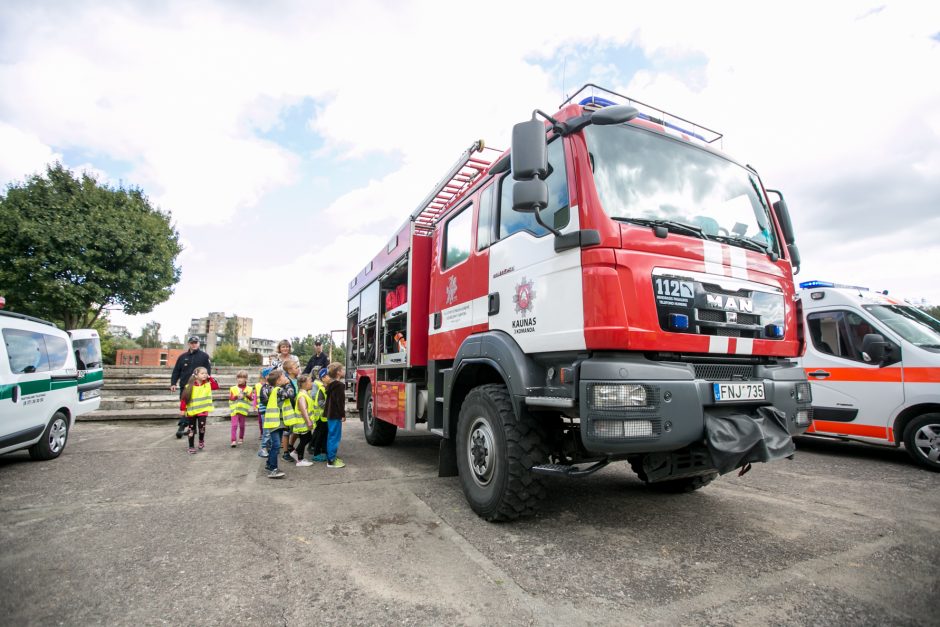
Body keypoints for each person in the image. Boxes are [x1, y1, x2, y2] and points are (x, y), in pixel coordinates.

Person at [170, 337, 212, 438]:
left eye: (196, 342)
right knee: (186, 407)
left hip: (199, 387)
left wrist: (206, 384)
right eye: (192, 343)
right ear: (189, 344)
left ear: (199, 343)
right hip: (185, 387)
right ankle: (188, 427)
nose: (194, 344)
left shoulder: (204, 356)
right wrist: (173, 383)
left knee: (193, 408)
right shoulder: (182, 357)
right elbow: (176, 371)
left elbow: (208, 372)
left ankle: (182, 427)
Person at [260, 368, 295, 479]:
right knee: (275, 445)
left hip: (278, 422)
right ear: (279, 381)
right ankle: (273, 469)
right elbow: (290, 394)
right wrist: (289, 384)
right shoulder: (278, 390)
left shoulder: (275, 389)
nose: (287, 378)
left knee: (276, 444)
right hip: (275, 422)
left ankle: (269, 464)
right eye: (284, 377)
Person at [181, 367, 213, 454]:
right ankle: (191, 446)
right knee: (191, 429)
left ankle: (201, 440)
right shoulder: (189, 386)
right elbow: (184, 398)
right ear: (196, 375)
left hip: (202, 411)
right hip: (192, 412)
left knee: (202, 427)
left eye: (206, 373)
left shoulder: (207, 384)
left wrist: (210, 378)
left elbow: (215, 386)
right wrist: (183, 409)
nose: (205, 375)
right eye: (202, 373)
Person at [323, 361, 347, 468]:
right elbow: (340, 402)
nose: (343, 371)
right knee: (335, 437)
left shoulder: (330, 385)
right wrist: (342, 414)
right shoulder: (340, 386)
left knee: (331, 436)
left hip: (329, 414)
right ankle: (331, 461)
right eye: (342, 369)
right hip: (336, 414)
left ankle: (331, 457)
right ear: (338, 372)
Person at [290, 374, 315, 467]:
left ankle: (299, 456)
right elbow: (303, 410)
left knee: (307, 438)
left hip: (303, 423)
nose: (311, 383)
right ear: (304, 383)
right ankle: (298, 458)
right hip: (303, 423)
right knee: (306, 439)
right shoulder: (302, 396)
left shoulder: (304, 394)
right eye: (310, 381)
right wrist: (308, 421)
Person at [281, 357, 301, 462]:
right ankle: (285, 453)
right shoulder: (286, 381)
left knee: (297, 430)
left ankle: (290, 445)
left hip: (297, 409)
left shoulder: (297, 380)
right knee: (286, 432)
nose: (298, 369)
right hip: (289, 410)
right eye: (296, 367)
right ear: (290, 370)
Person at [309, 367, 329, 462]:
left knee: (324, 435)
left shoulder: (325, 387)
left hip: (324, 417)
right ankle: (316, 454)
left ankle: (323, 451)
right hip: (321, 417)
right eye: (328, 376)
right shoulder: (321, 388)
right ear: (323, 378)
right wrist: (331, 404)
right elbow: (321, 403)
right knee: (319, 435)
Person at [228, 370, 253, 447]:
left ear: (246, 379)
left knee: (242, 425)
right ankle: (233, 440)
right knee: (234, 425)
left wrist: (246, 395)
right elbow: (231, 398)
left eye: (242, 378)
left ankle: (241, 437)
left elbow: (251, 398)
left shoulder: (249, 388)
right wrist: (236, 396)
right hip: (234, 410)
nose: (239, 379)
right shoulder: (233, 388)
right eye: (238, 377)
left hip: (243, 410)